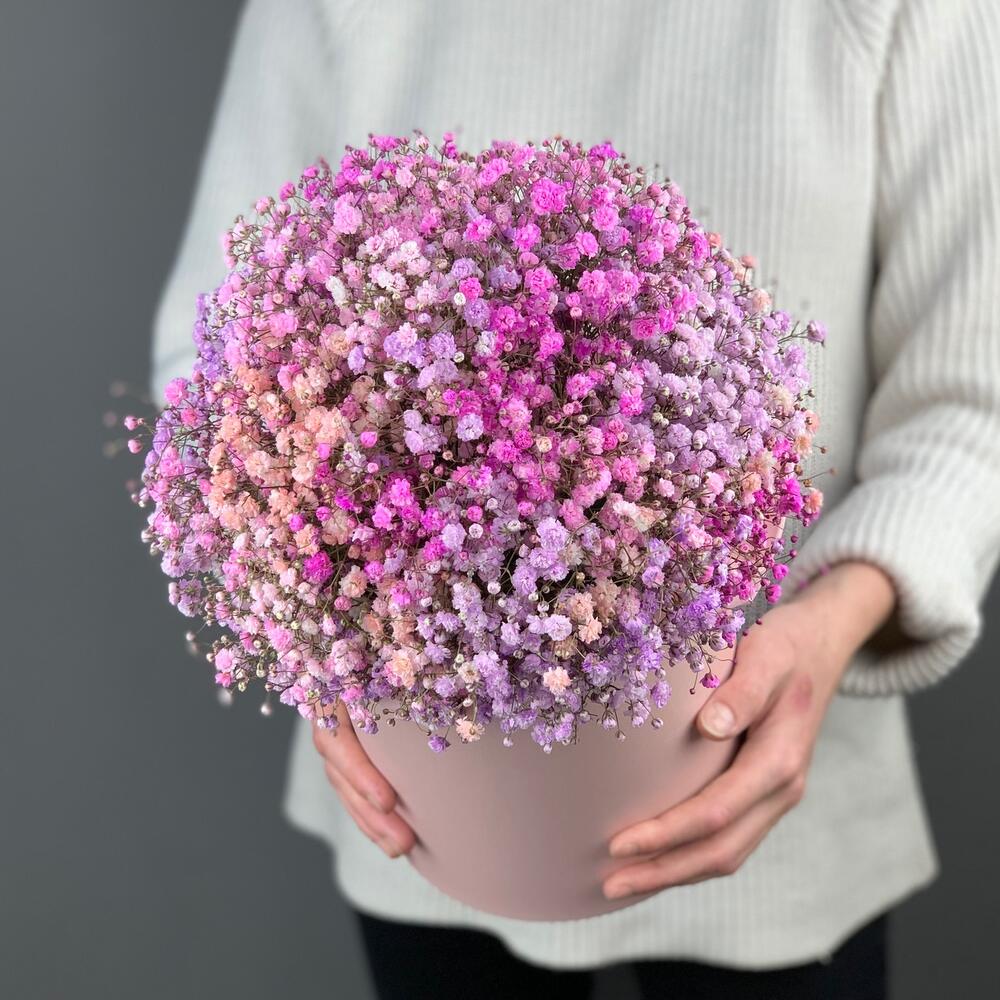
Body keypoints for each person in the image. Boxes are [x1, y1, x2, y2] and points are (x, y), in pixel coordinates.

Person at [149, 1, 1000, 997]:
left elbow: (972, 404)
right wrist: (315, 635)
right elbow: (216, 358)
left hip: (775, 818)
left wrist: (826, 628)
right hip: (418, 804)